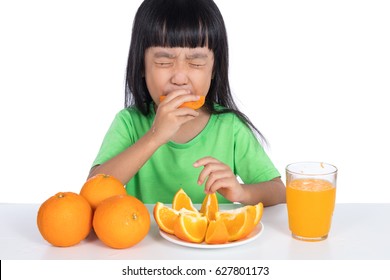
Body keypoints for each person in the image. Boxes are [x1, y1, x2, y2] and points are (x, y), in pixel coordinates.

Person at [88, 0, 285, 206]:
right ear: (141, 66)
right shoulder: (129, 122)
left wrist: (241, 192)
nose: (180, 78)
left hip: (211, 237)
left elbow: (280, 193)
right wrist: (154, 137)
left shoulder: (230, 127)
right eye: (164, 62)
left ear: (214, 69)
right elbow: (93, 192)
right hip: (144, 236)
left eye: (196, 63)